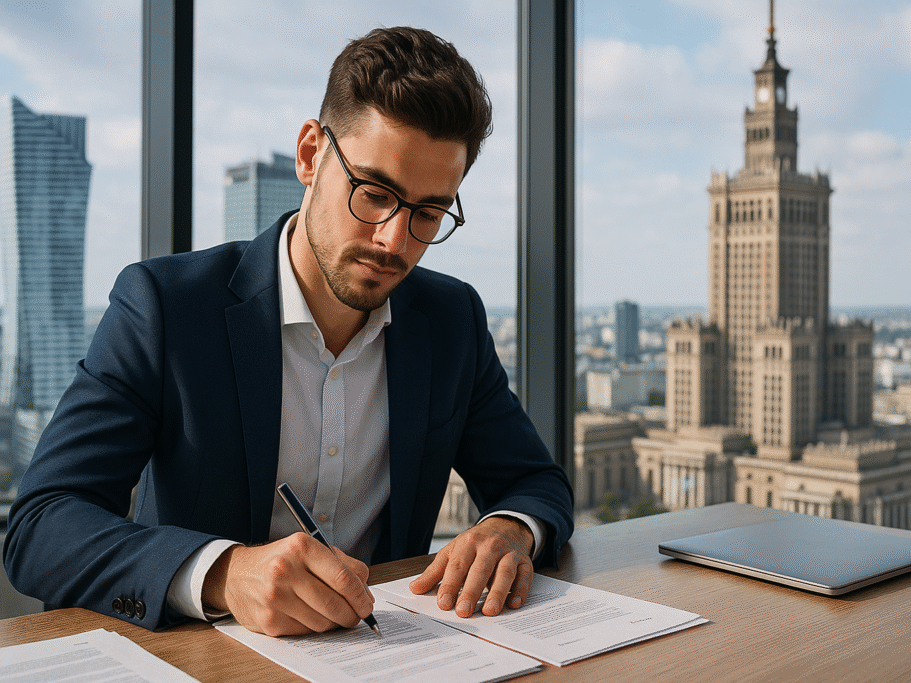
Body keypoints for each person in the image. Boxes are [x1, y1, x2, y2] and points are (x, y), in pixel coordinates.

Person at [3, 26, 573, 636]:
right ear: (310, 155)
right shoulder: (165, 307)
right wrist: (223, 572)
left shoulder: (452, 319)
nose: (395, 240)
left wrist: (509, 528)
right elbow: (43, 524)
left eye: (429, 213)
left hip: (389, 657)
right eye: (374, 193)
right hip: (202, 662)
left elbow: (534, 481)